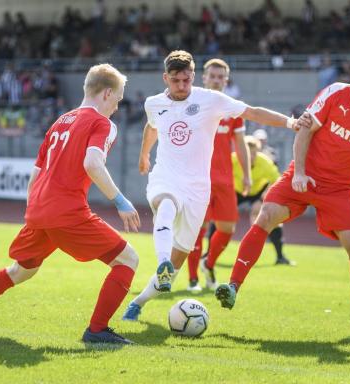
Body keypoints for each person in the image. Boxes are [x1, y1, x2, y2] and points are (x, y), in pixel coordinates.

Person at [215, 52, 350, 337]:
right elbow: (305, 129)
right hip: (303, 175)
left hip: (339, 189)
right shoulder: (336, 93)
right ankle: (233, 286)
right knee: (266, 215)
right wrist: (298, 172)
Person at [0, 64, 141, 345]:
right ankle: (97, 330)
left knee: (20, 271)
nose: (117, 107)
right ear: (107, 93)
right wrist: (121, 201)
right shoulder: (102, 123)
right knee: (129, 259)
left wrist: (34, 212)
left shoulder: (60, 122)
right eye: (117, 99)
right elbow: (92, 163)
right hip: (66, 211)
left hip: (38, 209)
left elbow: (36, 174)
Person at [122, 50, 308, 321]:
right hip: (166, 177)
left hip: (198, 188)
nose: (182, 86)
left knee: (180, 258)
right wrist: (144, 154)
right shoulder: (153, 103)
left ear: (194, 77)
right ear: (165, 78)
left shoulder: (211, 100)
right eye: (176, 81)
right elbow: (152, 127)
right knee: (165, 204)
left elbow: (253, 112)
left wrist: (290, 122)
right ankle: (161, 260)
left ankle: (138, 302)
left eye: (186, 80)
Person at [185, 58, 252, 293]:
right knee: (197, 228)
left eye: (220, 77)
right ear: (203, 78)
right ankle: (192, 278)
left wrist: (247, 174)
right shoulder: (191, 103)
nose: (216, 80)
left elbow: (241, 144)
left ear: (226, 80)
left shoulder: (234, 108)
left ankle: (208, 263)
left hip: (224, 179)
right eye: (212, 76)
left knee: (227, 228)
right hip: (198, 178)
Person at [233, 135, 294, 266]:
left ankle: (280, 256)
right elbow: (221, 174)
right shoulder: (232, 159)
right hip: (236, 191)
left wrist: (263, 198)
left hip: (258, 192)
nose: (251, 157)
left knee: (273, 217)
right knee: (222, 218)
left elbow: (278, 180)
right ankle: (208, 254)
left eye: (254, 153)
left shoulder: (265, 162)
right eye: (247, 153)